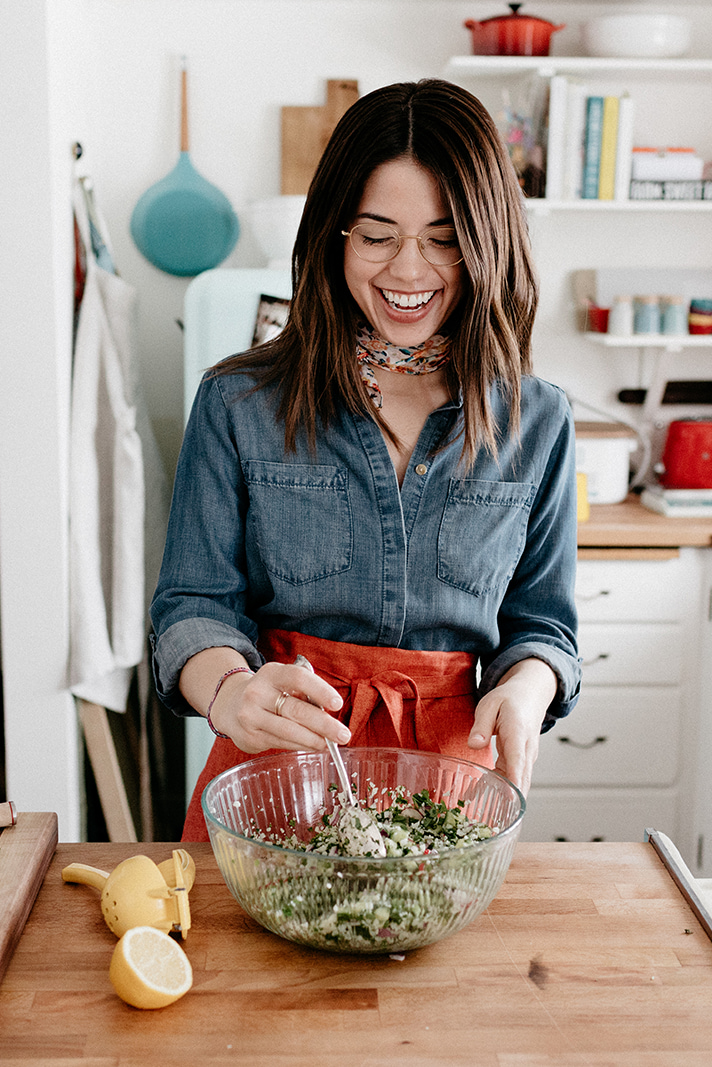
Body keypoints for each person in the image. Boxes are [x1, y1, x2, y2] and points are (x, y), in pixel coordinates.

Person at [150, 79, 579, 841]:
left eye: (444, 238)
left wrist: (527, 687)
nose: (409, 272)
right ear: (334, 235)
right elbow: (192, 609)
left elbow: (543, 624)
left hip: (449, 796)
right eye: (377, 235)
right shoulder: (237, 403)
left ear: (488, 242)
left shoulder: (536, 419)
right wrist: (229, 693)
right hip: (274, 777)